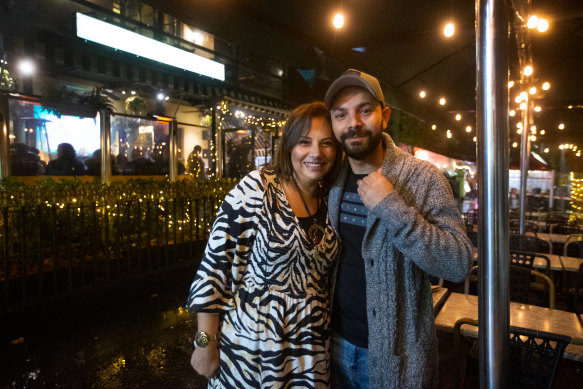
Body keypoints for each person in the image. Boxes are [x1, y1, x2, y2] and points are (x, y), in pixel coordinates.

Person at [323, 69, 473, 388]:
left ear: (385, 115)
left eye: (365, 110)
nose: (354, 123)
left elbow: (458, 263)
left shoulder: (423, 178)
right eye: (341, 114)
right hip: (331, 348)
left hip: (395, 360)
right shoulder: (330, 179)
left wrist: (391, 206)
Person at [187, 101, 343, 388]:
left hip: (311, 356)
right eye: (304, 142)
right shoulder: (258, 188)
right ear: (288, 146)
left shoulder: (330, 200)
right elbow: (214, 266)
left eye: (326, 143)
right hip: (252, 352)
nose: (316, 153)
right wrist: (204, 342)